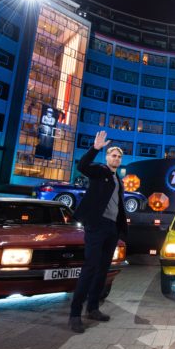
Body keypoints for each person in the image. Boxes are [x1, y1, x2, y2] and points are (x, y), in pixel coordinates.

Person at [68, 131, 128, 333]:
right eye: (113, 155)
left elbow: (118, 205)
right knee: (91, 267)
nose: (116, 159)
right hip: (96, 225)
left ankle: (93, 308)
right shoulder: (100, 171)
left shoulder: (118, 180)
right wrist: (95, 148)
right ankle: (75, 314)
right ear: (107, 157)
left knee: (103, 270)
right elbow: (82, 166)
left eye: (119, 156)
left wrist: (120, 229)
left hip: (111, 228)